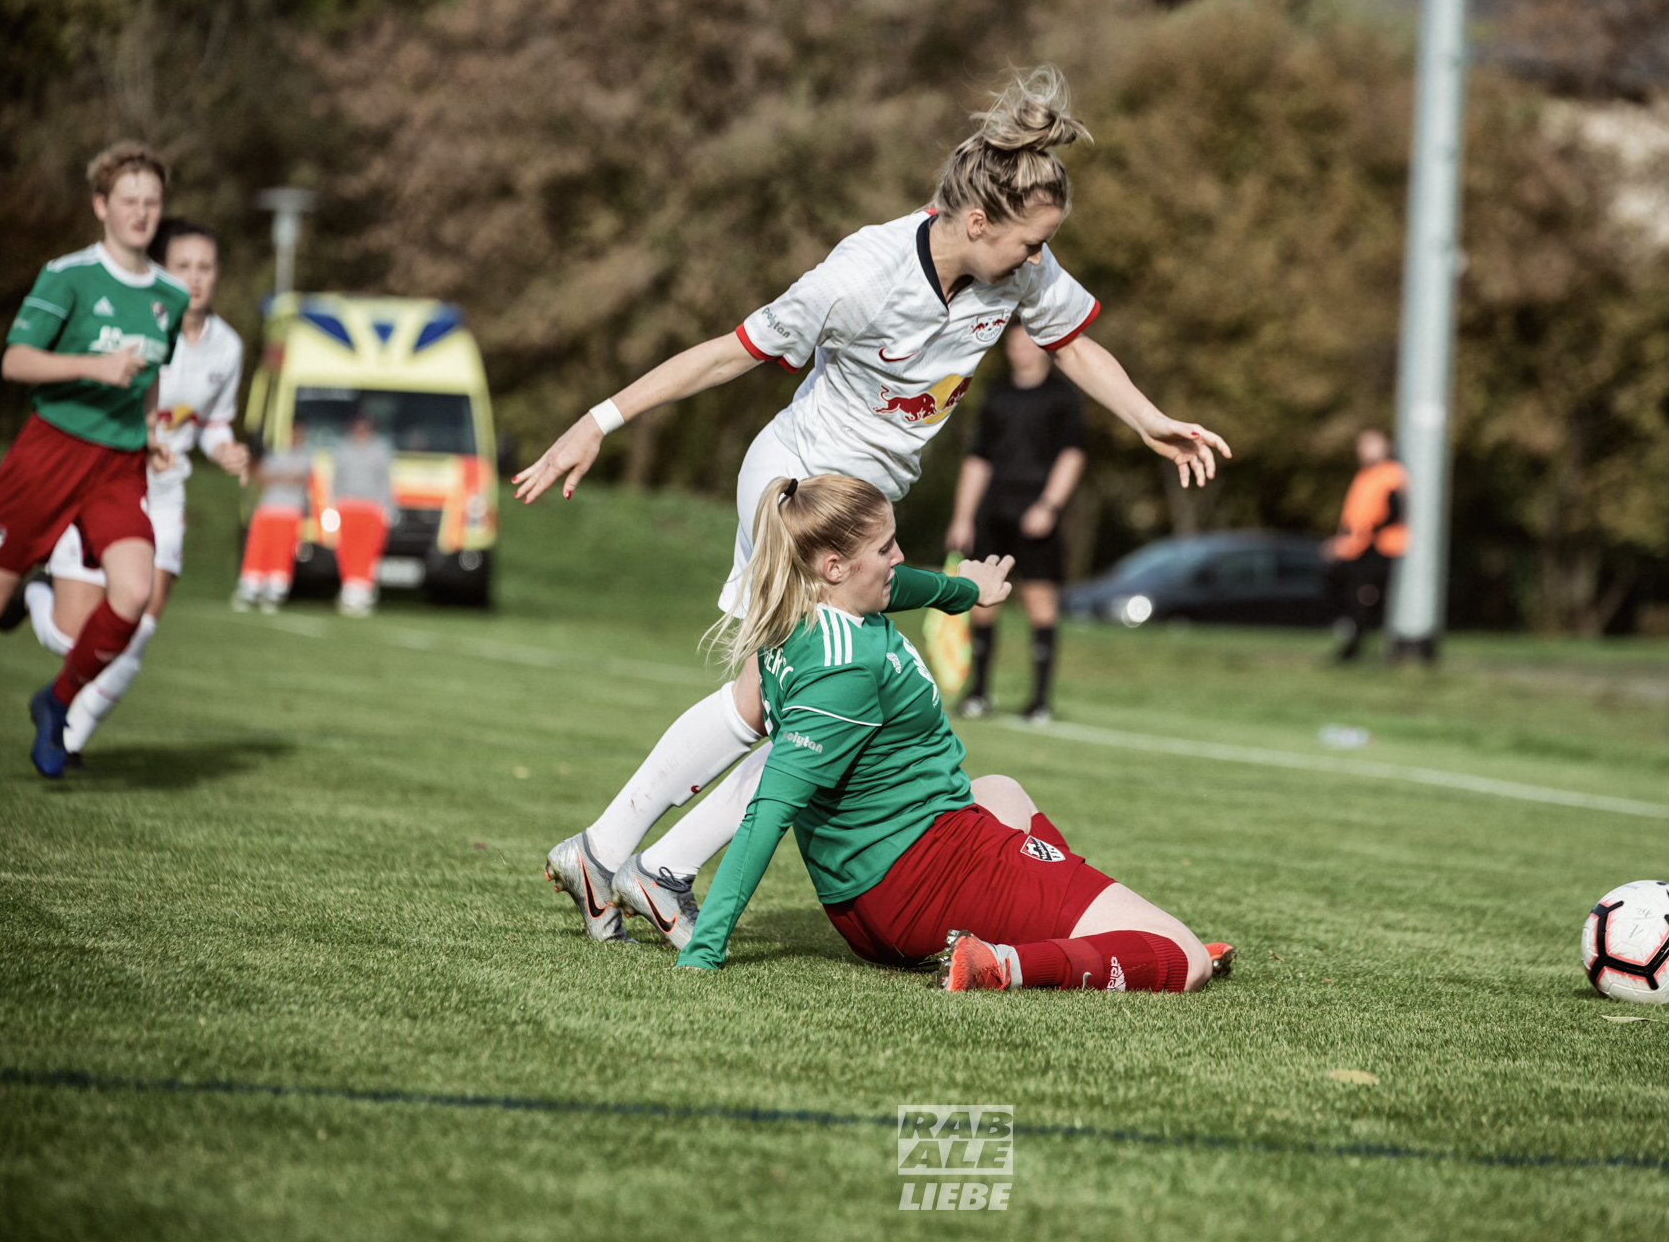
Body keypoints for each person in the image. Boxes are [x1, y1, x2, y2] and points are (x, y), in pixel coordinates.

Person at [514, 66, 1231, 949]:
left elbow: (1076, 345)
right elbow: (726, 354)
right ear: (977, 222)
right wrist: (599, 420)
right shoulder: (860, 275)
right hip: (801, 489)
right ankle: (655, 869)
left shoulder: (1017, 274)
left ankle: (612, 851)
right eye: (1029, 245)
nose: (1039, 262)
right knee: (848, 696)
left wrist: (1150, 420)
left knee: (777, 698)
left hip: (868, 506)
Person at [674, 475, 1234, 993]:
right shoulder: (840, 670)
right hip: (924, 877)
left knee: (1001, 790)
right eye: (885, 548)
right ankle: (1004, 963)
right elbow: (767, 813)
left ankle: (1090, 940)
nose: (898, 557)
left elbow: (908, 586)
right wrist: (703, 952)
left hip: (873, 897)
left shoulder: (814, 613)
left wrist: (969, 592)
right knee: (1183, 956)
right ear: (835, 566)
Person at [0, 218, 248, 763]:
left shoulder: (228, 347)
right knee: (70, 636)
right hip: (103, 476)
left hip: (164, 493)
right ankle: (33, 596)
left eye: (206, 267)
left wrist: (224, 447)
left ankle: (68, 733)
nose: (196, 278)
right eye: (184, 266)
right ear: (161, 266)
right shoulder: (141, 317)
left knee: (139, 621)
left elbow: (212, 424)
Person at [0, 141, 189, 777]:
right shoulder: (68, 275)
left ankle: (56, 704)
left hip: (118, 465)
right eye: (129, 200)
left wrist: (151, 428)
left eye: (152, 201)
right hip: (49, 453)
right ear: (102, 205)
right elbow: (15, 361)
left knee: (134, 595)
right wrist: (93, 367)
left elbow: (150, 375)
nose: (141, 212)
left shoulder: (169, 293)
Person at [944, 320, 1086, 725]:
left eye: (1027, 344)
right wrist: (963, 517)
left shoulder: (1062, 397)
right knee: (982, 600)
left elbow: (1072, 455)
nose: (1019, 351)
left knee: (1040, 604)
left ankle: (1039, 701)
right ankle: (978, 694)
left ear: (1042, 347)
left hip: (1036, 511)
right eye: (1013, 346)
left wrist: (1049, 506)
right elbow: (978, 459)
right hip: (994, 510)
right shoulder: (996, 395)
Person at [1322, 429, 1407, 662]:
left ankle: (1358, 643)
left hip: (1381, 548)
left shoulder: (1391, 474)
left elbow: (1394, 511)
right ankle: (1352, 636)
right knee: (1342, 585)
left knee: (1365, 595)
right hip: (1359, 545)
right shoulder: (1365, 476)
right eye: (1362, 445)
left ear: (1385, 447)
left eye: (1371, 445)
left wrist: (1368, 534)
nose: (1364, 450)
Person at [234, 422, 313, 613]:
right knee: (257, 549)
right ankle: (250, 589)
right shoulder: (274, 454)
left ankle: (274, 592)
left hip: (290, 511)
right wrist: (280, 477)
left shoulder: (306, 456)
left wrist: (275, 476)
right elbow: (260, 477)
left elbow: (297, 478)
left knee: (281, 551)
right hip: (267, 509)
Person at [331, 413, 394, 617]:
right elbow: (336, 481)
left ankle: (363, 591)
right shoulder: (342, 450)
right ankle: (350, 589)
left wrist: (385, 507)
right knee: (347, 550)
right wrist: (335, 505)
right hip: (347, 506)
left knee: (367, 551)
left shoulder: (380, 451)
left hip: (370, 508)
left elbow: (386, 482)